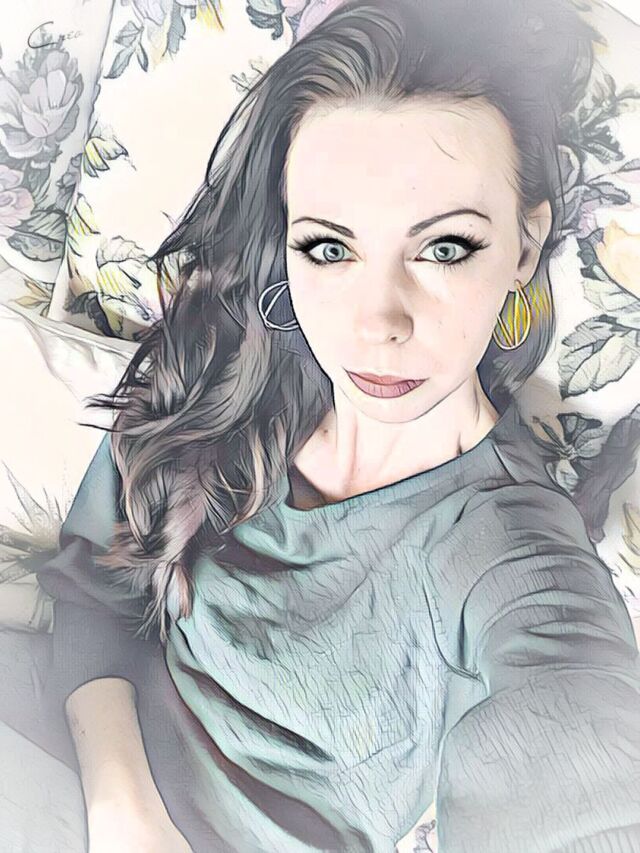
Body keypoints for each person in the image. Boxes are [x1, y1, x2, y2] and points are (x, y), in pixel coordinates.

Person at [7, 0, 640, 850]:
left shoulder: (511, 549)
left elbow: (584, 755)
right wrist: (126, 814)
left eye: (444, 247)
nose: (377, 321)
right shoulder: (225, 365)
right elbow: (93, 588)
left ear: (525, 245)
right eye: (330, 248)